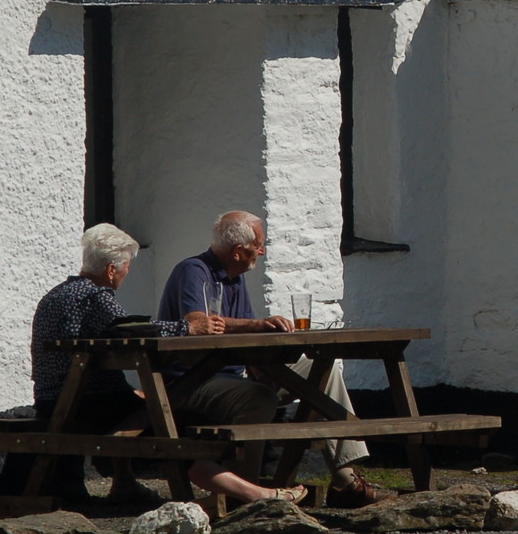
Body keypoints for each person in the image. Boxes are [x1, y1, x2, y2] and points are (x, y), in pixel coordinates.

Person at [30, 224, 305, 505]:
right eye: (127, 267)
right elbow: (135, 331)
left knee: (141, 406)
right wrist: (187, 329)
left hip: (56, 399)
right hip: (86, 404)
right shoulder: (94, 297)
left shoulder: (58, 294)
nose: (127, 272)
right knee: (176, 427)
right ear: (112, 270)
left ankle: (125, 484)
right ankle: (257, 494)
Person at [157, 210, 379, 508]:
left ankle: (345, 478)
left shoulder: (236, 279)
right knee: (259, 397)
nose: (261, 252)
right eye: (258, 245)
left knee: (321, 370)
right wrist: (258, 325)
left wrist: (262, 363)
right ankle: (245, 494)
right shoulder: (193, 271)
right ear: (238, 251)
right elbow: (198, 321)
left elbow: (244, 341)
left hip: (234, 376)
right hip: (191, 382)